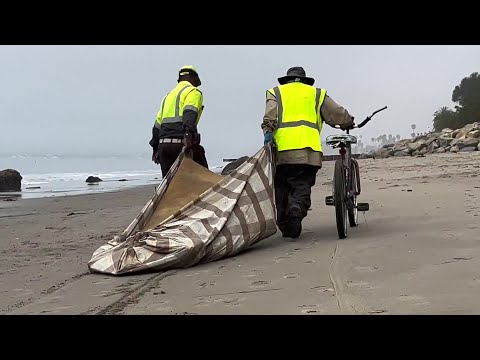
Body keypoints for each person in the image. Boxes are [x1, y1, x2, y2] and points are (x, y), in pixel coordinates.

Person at [261, 66, 355, 239]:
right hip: (307, 150)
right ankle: (297, 208)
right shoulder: (316, 94)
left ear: (287, 79)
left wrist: (267, 132)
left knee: (281, 187)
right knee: (301, 184)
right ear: (304, 80)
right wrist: (348, 122)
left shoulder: (275, 92)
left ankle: (286, 226)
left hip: (281, 152)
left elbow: (269, 117)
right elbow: (336, 113)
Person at [149, 65, 209, 177]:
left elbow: (157, 125)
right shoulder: (193, 92)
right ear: (193, 78)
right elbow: (189, 113)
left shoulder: (168, 97)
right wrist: (188, 135)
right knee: (204, 179)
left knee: (169, 186)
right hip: (181, 144)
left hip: (164, 147)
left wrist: (155, 148)